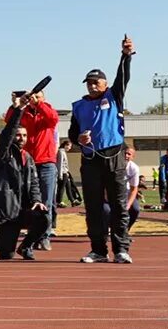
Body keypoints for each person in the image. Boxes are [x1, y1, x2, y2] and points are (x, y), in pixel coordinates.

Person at [69, 35, 136, 263]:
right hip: (90, 161)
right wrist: (79, 139)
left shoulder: (113, 96)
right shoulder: (79, 107)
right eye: (88, 82)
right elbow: (72, 135)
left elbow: (123, 78)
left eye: (96, 82)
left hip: (114, 157)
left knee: (118, 205)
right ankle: (98, 249)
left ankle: (121, 249)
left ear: (105, 84)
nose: (92, 85)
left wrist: (125, 56)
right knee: (94, 207)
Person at [0, 94, 49, 260]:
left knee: (44, 218)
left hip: (24, 209)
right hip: (6, 211)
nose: (22, 138)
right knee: (6, 255)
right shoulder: (4, 155)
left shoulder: (28, 157)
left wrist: (36, 201)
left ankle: (26, 246)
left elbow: (34, 183)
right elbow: (7, 134)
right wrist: (19, 109)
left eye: (25, 136)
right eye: (18, 135)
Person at [7, 90, 59, 248]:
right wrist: (16, 104)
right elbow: (9, 121)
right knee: (27, 200)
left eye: (39, 97)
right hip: (27, 162)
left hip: (46, 163)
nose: (34, 100)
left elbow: (53, 119)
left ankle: (44, 237)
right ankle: (31, 236)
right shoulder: (25, 113)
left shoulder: (48, 111)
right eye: (33, 97)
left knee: (46, 202)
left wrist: (39, 103)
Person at [55, 139, 81, 207]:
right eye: (69, 146)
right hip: (63, 173)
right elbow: (59, 164)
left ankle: (72, 200)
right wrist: (60, 175)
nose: (70, 148)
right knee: (62, 187)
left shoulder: (63, 152)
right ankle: (59, 201)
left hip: (66, 172)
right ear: (66, 145)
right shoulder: (61, 152)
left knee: (69, 186)